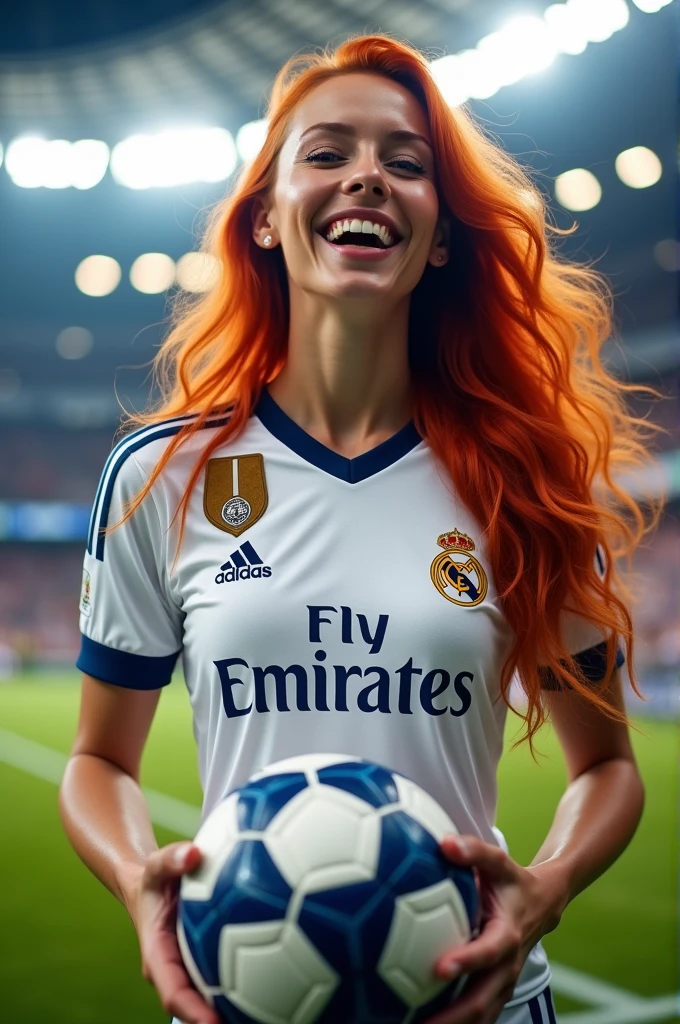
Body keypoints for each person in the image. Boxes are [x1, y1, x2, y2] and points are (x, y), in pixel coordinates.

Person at [59, 33, 663, 1024]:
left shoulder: (525, 478)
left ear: (436, 236)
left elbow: (605, 769)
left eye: (405, 161)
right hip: (242, 995)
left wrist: (546, 882)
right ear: (263, 220)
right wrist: (137, 876)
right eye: (327, 152)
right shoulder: (164, 476)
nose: (367, 178)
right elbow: (96, 762)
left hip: (480, 1001)